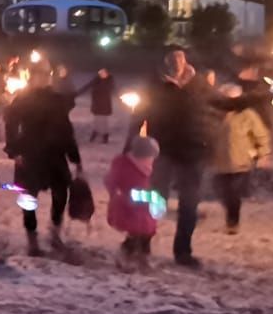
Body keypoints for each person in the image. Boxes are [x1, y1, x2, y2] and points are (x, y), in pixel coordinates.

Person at [130, 49, 215, 268]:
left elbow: (217, 110)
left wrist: (209, 142)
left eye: (180, 59)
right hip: (164, 149)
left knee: (189, 204)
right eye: (173, 60)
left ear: (186, 62)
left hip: (192, 150)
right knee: (156, 199)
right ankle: (141, 240)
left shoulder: (199, 86)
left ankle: (183, 251)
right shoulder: (156, 86)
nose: (177, 64)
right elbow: (140, 115)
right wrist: (130, 146)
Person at [4, 67, 83, 256]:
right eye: (39, 76)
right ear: (32, 78)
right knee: (28, 197)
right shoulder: (23, 99)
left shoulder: (56, 99)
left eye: (45, 76)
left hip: (54, 153)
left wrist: (74, 156)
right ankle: (32, 238)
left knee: (61, 194)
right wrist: (14, 150)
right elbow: (11, 125)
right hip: (30, 153)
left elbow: (65, 129)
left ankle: (55, 232)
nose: (42, 79)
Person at [211, 86, 271, 234]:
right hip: (220, 163)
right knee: (224, 194)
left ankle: (232, 223)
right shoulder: (218, 115)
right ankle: (230, 218)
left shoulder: (247, 115)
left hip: (240, 162)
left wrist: (263, 154)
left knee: (233, 194)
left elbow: (262, 135)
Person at [106, 136, 162, 269]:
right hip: (128, 207)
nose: (151, 160)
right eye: (149, 157)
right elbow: (111, 181)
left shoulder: (147, 168)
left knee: (148, 233)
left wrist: (155, 199)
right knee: (136, 233)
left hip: (144, 208)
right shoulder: (124, 165)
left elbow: (148, 187)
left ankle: (143, 256)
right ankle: (125, 254)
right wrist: (117, 194)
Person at [83, 67, 118, 143]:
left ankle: (105, 135)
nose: (101, 74)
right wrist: (77, 93)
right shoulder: (96, 79)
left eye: (103, 72)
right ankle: (96, 132)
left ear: (107, 73)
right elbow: (87, 86)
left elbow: (110, 89)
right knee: (96, 120)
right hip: (96, 103)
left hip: (104, 104)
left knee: (103, 121)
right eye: (100, 72)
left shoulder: (109, 81)